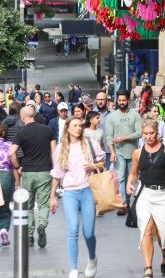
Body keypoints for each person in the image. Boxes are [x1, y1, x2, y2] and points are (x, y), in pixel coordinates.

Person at [49, 117, 105, 278]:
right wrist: (52, 197)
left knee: (88, 232)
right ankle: (73, 268)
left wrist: (93, 166)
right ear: (67, 128)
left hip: (87, 190)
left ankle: (92, 258)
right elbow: (56, 175)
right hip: (70, 193)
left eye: (80, 125)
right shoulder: (61, 148)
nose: (78, 128)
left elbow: (103, 164)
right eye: (75, 125)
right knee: (72, 229)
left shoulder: (90, 143)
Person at [127, 120, 165, 278]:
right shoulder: (137, 153)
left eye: (152, 133)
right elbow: (133, 172)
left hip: (163, 195)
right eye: (146, 134)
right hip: (144, 194)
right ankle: (148, 268)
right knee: (146, 230)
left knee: (163, 233)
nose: (149, 137)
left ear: (158, 134)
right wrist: (130, 184)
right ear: (142, 135)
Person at [9, 106, 56, 248]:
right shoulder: (47, 130)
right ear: (33, 115)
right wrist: (55, 170)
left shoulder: (21, 132)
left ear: (23, 117)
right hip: (45, 170)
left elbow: (11, 153)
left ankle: (29, 235)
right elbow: (54, 152)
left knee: (28, 205)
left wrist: (17, 166)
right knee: (43, 202)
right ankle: (42, 224)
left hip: (28, 171)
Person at [106, 90, 142, 215]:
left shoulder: (135, 115)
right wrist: (112, 152)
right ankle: (123, 204)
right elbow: (109, 137)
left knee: (130, 179)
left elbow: (140, 132)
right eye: (119, 100)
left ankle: (127, 200)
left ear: (128, 100)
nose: (121, 102)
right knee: (120, 179)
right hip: (118, 152)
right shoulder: (112, 117)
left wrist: (124, 138)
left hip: (133, 152)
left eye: (123, 100)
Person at [93, 92, 112, 170]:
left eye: (102, 99)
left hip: (109, 150)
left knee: (109, 177)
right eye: (98, 100)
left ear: (106, 100)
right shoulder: (91, 114)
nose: (100, 102)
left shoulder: (113, 114)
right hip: (95, 152)